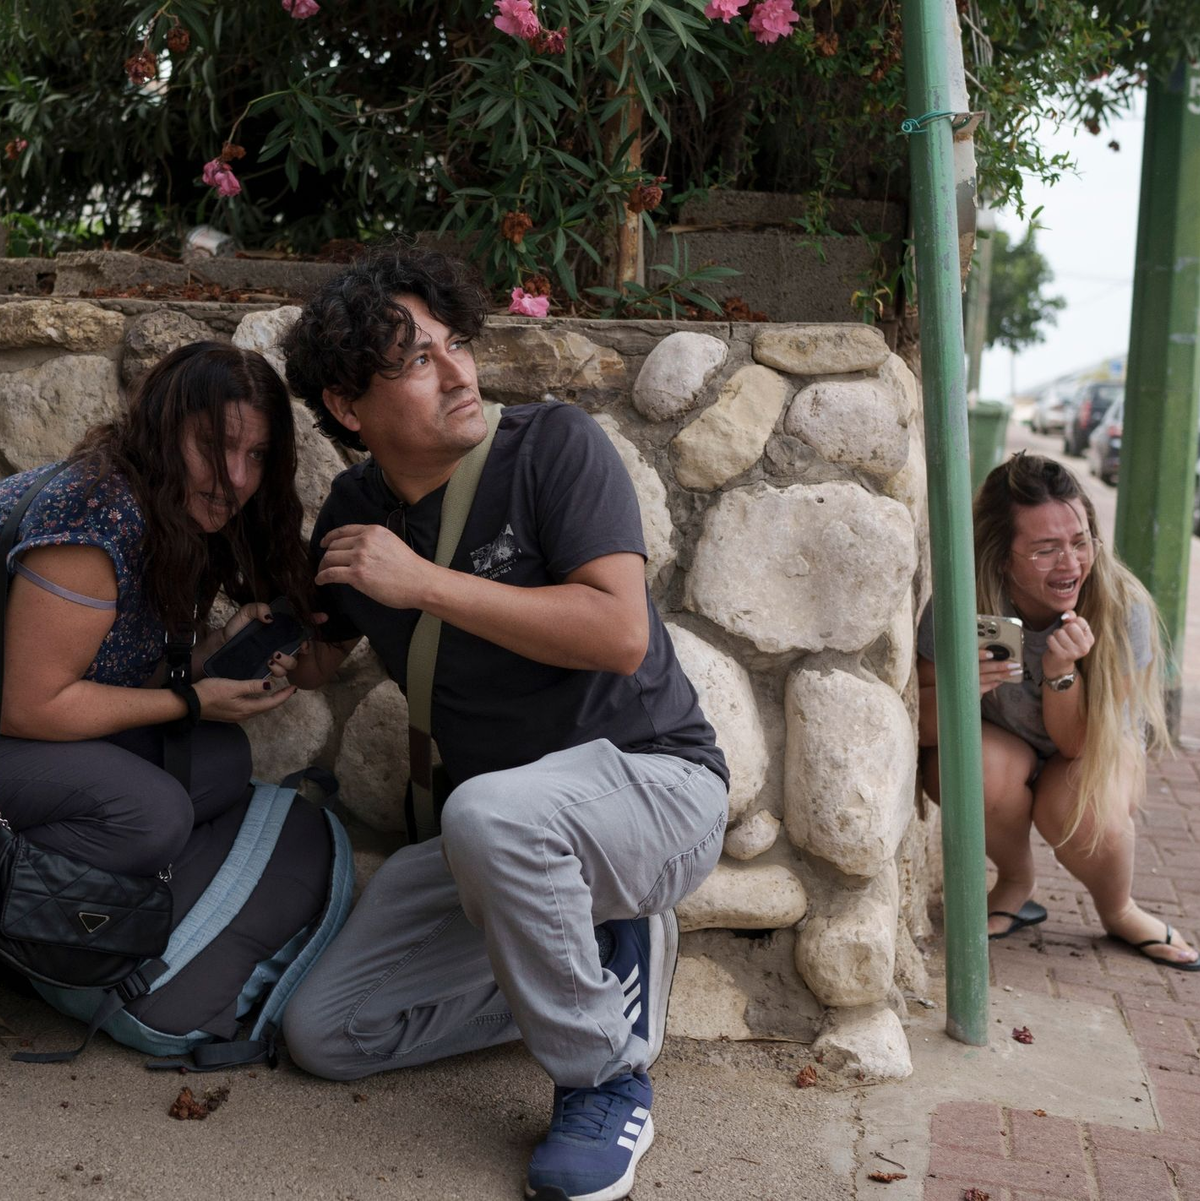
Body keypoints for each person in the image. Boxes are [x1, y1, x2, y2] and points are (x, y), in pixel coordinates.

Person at [278, 245, 730, 1201]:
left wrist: (426, 584)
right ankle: (589, 969)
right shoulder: (354, 512)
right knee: (326, 1032)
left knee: (483, 814)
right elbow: (322, 650)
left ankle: (603, 1076)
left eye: (454, 344)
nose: (457, 371)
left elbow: (616, 630)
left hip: (654, 787)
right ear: (349, 408)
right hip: (508, 839)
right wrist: (251, 657)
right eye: (415, 360)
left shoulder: (553, 447)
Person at [0, 341, 309, 885]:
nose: (236, 476)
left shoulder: (178, 512)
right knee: (154, 816)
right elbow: (29, 707)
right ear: (165, 432)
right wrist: (187, 700)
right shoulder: (93, 516)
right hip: (20, 719)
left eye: (258, 454)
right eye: (215, 443)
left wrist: (204, 658)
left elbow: (109, 673)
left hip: (34, 725)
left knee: (220, 762)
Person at [917, 452, 1198, 970]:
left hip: (1092, 751)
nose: (1071, 564)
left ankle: (1118, 908)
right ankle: (1016, 880)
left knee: (1076, 806)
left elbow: (1081, 747)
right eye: (1045, 550)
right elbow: (923, 728)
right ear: (1003, 556)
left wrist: (1061, 671)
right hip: (1006, 746)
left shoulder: (1121, 607)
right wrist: (963, 691)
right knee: (970, 767)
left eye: (1079, 541)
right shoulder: (964, 603)